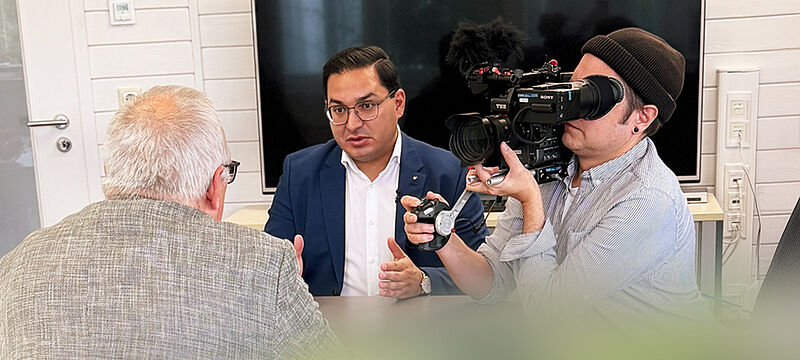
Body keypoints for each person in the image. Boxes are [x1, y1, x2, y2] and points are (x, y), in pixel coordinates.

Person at [0, 86, 341, 358]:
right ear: (214, 186)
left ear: (109, 174)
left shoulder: (19, 263)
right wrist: (282, 295)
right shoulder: (263, 263)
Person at [402, 28, 709, 320]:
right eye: (571, 89)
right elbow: (493, 282)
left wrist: (530, 201)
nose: (571, 109)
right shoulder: (551, 166)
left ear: (641, 118)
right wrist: (441, 237)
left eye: (590, 99)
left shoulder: (646, 199)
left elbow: (548, 315)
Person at [265, 46, 486, 299]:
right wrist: (281, 277)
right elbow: (270, 266)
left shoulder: (449, 172)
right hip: (326, 321)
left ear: (398, 103)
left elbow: (486, 280)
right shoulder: (299, 173)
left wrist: (425, 281)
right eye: (339, 110)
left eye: (367, 106)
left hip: (418, 322)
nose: (352, 124)